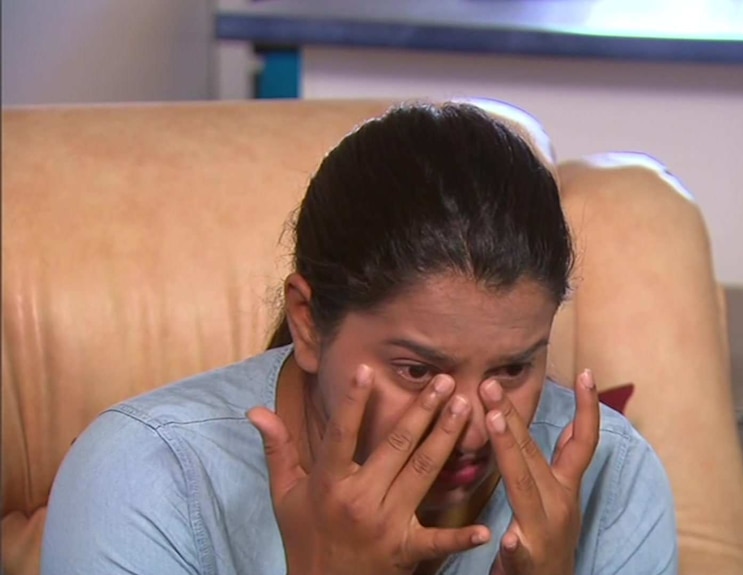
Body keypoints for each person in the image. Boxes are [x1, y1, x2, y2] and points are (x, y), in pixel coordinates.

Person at [41, 102, 677, 575]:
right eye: (418, 373)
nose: (476, 427)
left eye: (513, 370)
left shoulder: (612, 476)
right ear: (310, 323)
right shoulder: (145, 478)